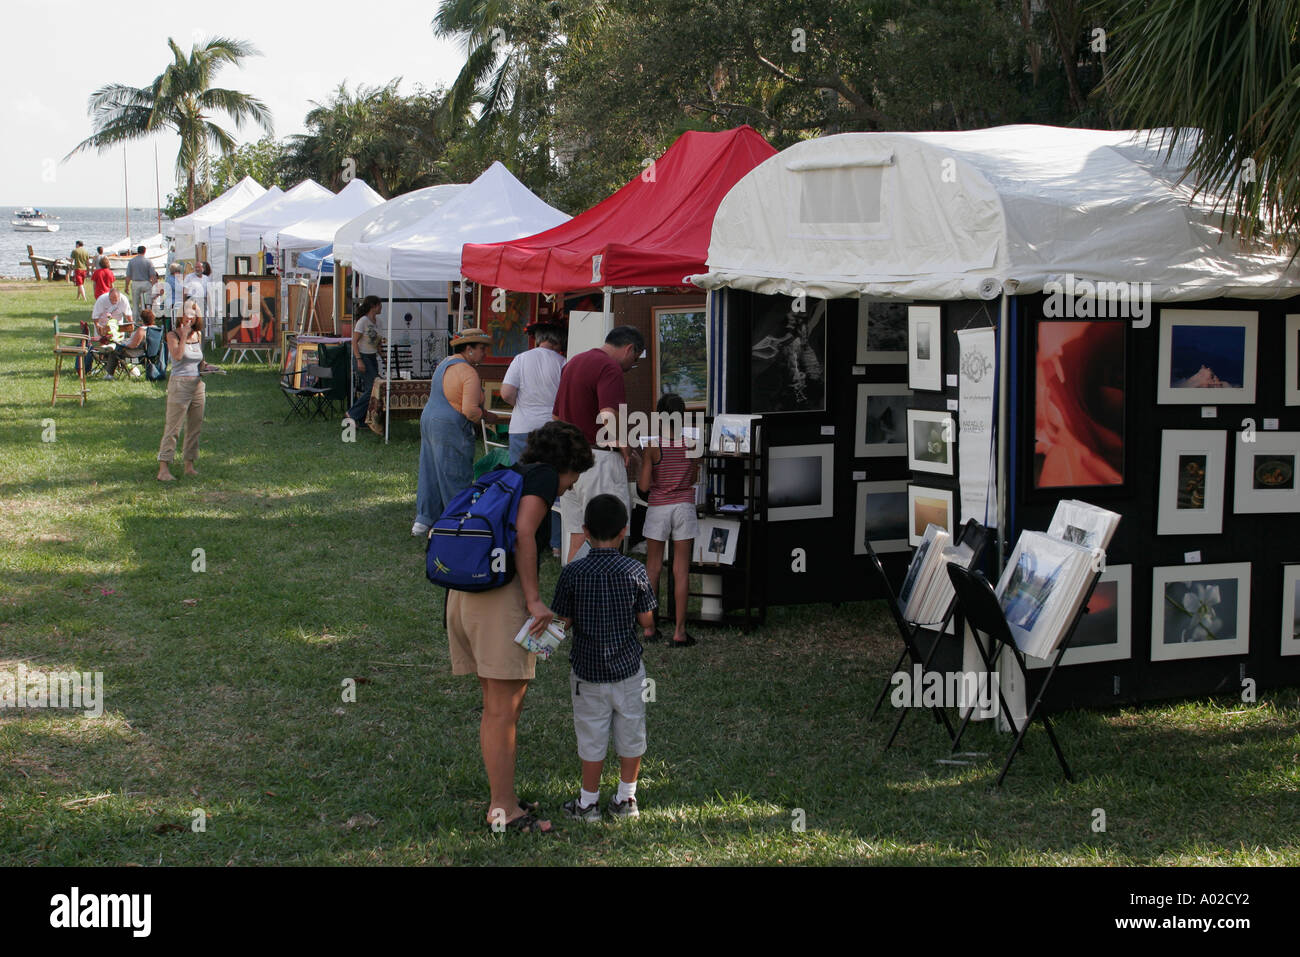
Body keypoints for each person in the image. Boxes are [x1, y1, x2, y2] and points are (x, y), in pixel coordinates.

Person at [446, 420, 594, 834]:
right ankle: (504, 812)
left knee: (498, 707)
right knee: (502, 711)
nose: (567, 488)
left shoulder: (508, 472)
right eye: (574, 477)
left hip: (466, 597)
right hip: (499, 600)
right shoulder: (545, 476)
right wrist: (532, 600)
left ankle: (504, 797)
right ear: (565, 464)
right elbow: (525, 533)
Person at [551, 494, 657, 821]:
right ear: (624, 531)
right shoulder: (635, 570)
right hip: (628, 671)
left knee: (591, 736)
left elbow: (562, 623)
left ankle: (588, 803)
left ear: (584, 530)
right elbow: (647, 620)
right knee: (632, 732)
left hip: (587, 671)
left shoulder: (572, 573)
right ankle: (627, 799)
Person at [552, 325, 644, 560]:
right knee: (608, 536)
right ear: (629, 349)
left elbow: (555, 416)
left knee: (578, 535)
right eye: (635, 359)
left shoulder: (572, 363)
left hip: (569, 462)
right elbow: (607, 415)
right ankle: (602, 593)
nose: (632, 367)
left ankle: (572, 592)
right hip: (599, 460)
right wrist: (626, 446)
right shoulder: (609, 367)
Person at [412, 327, 501, 536]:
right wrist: (488, 417)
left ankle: (423, 520)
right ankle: (456, 520)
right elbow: (470, 411)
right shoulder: (468, 372)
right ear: (468, 349)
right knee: (455, 472)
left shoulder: (445, 363)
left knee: (430, 469)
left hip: (429, 419)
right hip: (449, 425)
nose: (484, 353)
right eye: (481, 349)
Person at [638, 393, 699, 647]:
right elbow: (693, 478)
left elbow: (643, 486)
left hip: (658, 507)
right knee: (681, 570)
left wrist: (642, 462)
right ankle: (679, 631)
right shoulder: (693, 443)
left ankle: (650, 628)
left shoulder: (653, 446)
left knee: (653, 567)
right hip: (684, 506)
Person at [500, 320, 566, 554]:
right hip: (550, 427)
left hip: (522, 426)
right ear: (558, 340)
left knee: (521, 482)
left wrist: (521, 405)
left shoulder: (521, 359)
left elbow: (507, 392)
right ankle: (557, 543)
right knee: (554, 482)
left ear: (538, 339)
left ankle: (521, 536)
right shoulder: (563, 363)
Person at [157, 302, 215, 481]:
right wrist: (183, 337)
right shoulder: (172, 335)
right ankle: (163, 468)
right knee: (173, 427)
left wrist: (208, 367)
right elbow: (178, 356)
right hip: (179, 385)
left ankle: (189, 465)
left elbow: (200, 362)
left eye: (192, 315)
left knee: (194, 427)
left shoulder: (198, 335)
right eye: (186, 315)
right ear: (180, 317)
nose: (189, 318)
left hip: (197, 385)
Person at [344, 296, 382, 428]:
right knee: (373, 387)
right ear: (373, 306)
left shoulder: (378, 322)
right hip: (363, 356)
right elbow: (354, 341)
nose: (381, 308)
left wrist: (382, 355)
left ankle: (361, 419)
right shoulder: (363, 321)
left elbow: (377, 342)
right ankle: (352, 413)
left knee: (370, 389)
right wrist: (359, 359)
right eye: (379, 305)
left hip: (372, 357)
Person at [126, 245, 158, 316]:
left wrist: (126, 287)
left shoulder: (131, 261)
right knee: (149, 300)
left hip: (135, 283)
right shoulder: (148, 261)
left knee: (135, 304)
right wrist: (154, 286)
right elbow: (153, 275)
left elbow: (128, 276)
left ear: (137, 251)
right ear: (145, 251)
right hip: (146, 282)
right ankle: (149, 314)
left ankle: (135, 320)